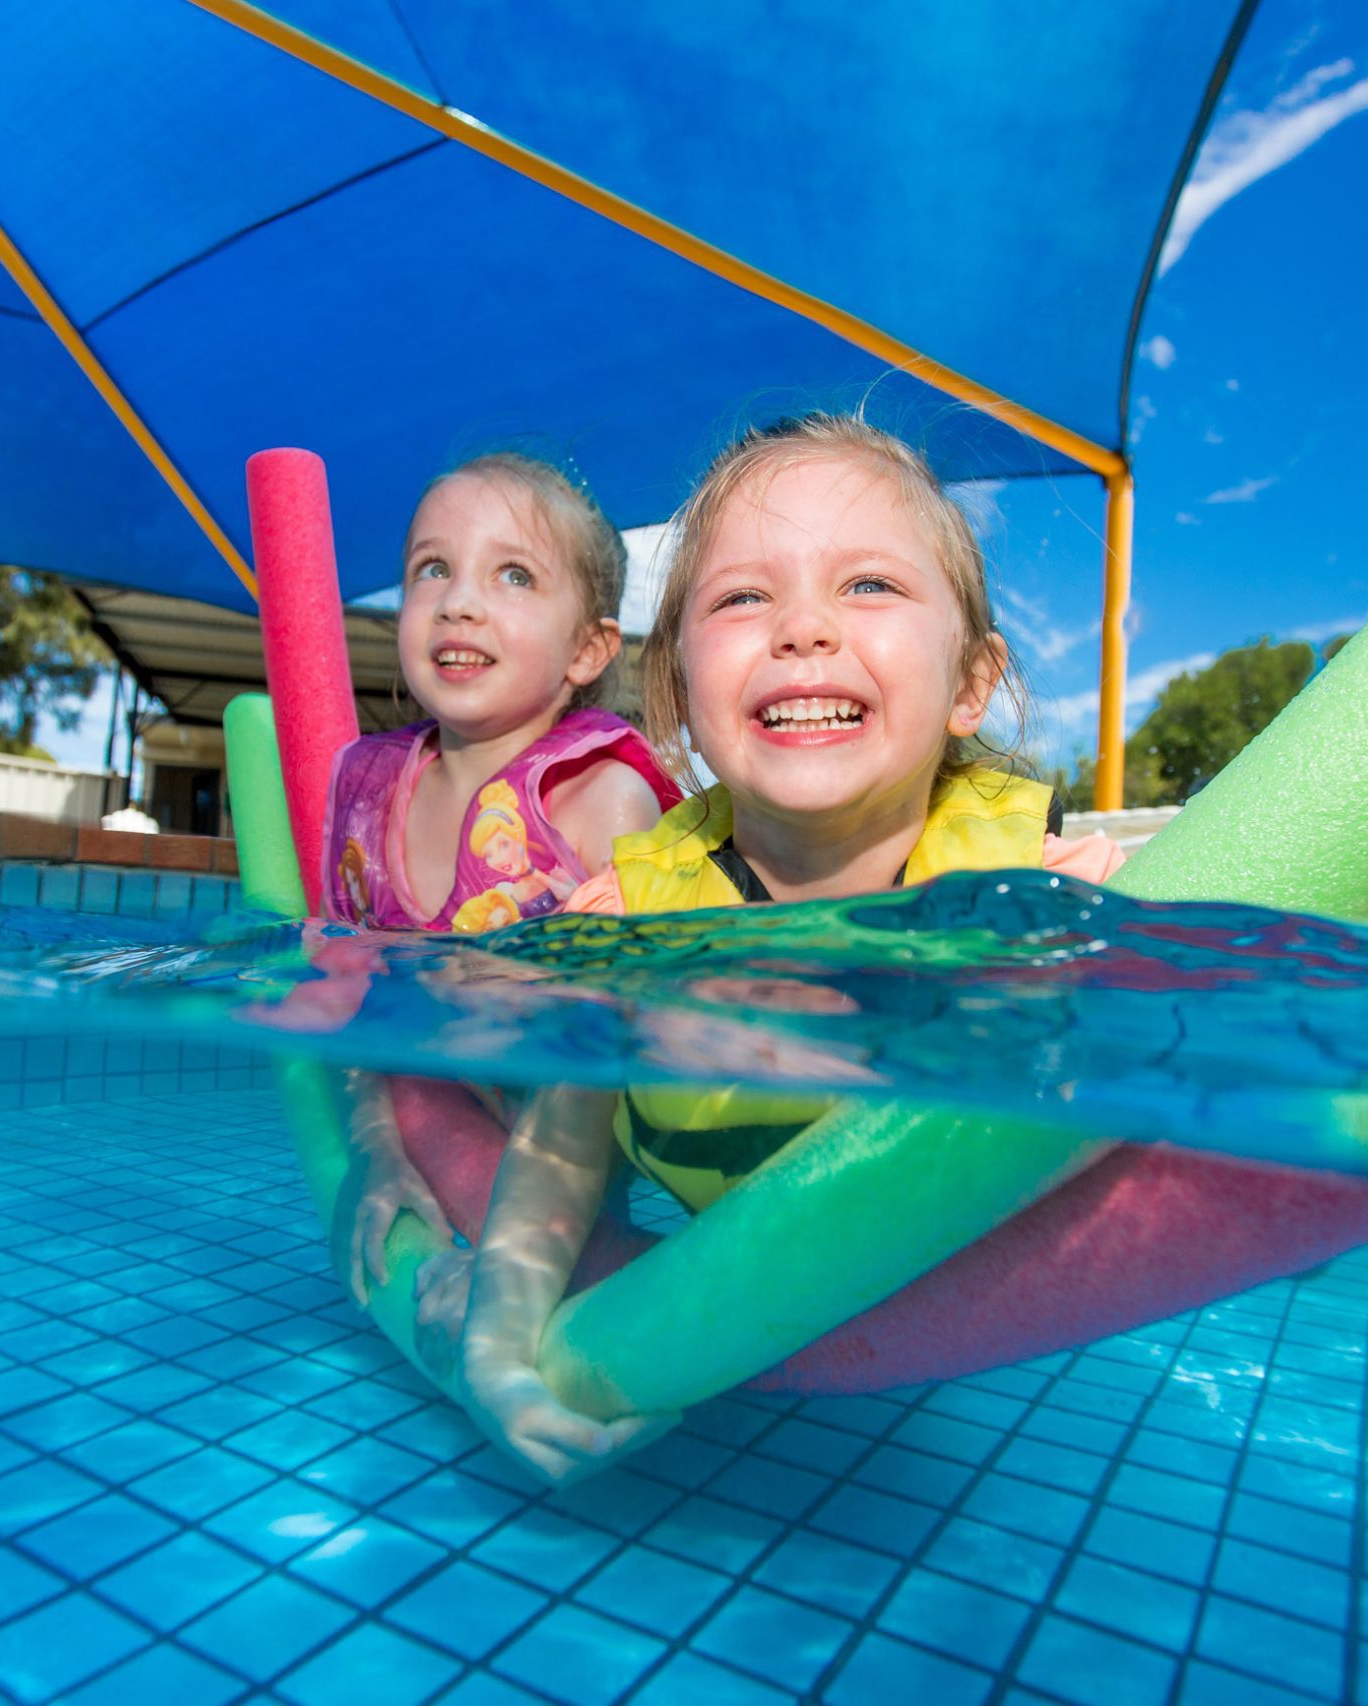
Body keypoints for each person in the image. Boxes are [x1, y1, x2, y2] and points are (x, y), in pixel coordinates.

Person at [442, 414, 1127, 1482]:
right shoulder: (627, 921)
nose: (802, 628)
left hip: (954, 1305)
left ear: (969, 683)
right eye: (742, 598)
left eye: (869, 585)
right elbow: (563, 1149)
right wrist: (497, 1340)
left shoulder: (1038, 895)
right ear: (678, 690)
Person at [323, 453, 678, 1303]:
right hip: (432, 1109)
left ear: (587, 650)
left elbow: (618, 1054)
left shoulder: (597, 800)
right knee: (406, 1068)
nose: (459, 601)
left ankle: (572, 1276)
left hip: (567, 1171)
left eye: (513, 575)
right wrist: (375, 1154)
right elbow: (346, 1002)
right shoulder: (366, 796)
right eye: (432, 568)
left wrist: (516, 1251)